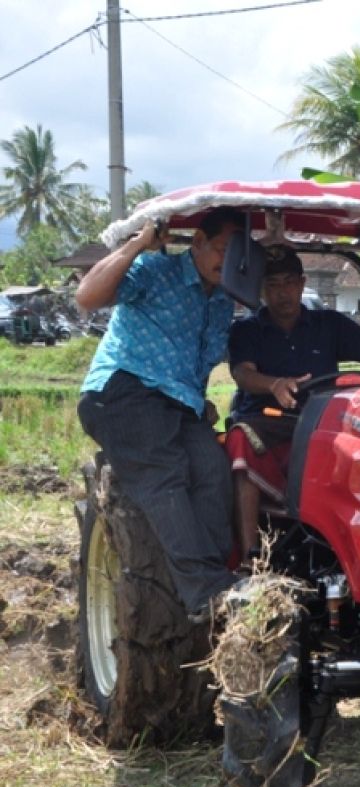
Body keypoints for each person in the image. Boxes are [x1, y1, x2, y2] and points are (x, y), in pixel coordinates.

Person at [75, 208, 244, 623]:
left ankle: (220, 577)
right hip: (123, 390)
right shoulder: (155, 269)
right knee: (164, 476)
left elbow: (199, 362)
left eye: (238, 253)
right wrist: (137, 244)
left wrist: (200, 401)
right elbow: (87, 298)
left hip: (179, 404)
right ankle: (207, 593)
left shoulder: (223, 301)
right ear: (198, 243)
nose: (228, 260)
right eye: (222, 249)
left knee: (212, 470)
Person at [224, 245, 360, 563]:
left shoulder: (328, 324)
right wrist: (273, 384)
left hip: (321, 422)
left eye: (289, 283)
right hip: (267, 420)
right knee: (239, 438)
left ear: (302, 284)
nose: (282, 293)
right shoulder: (247, 330)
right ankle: (250, 557)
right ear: (262, 290)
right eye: (273, 285)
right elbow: (242, 373)